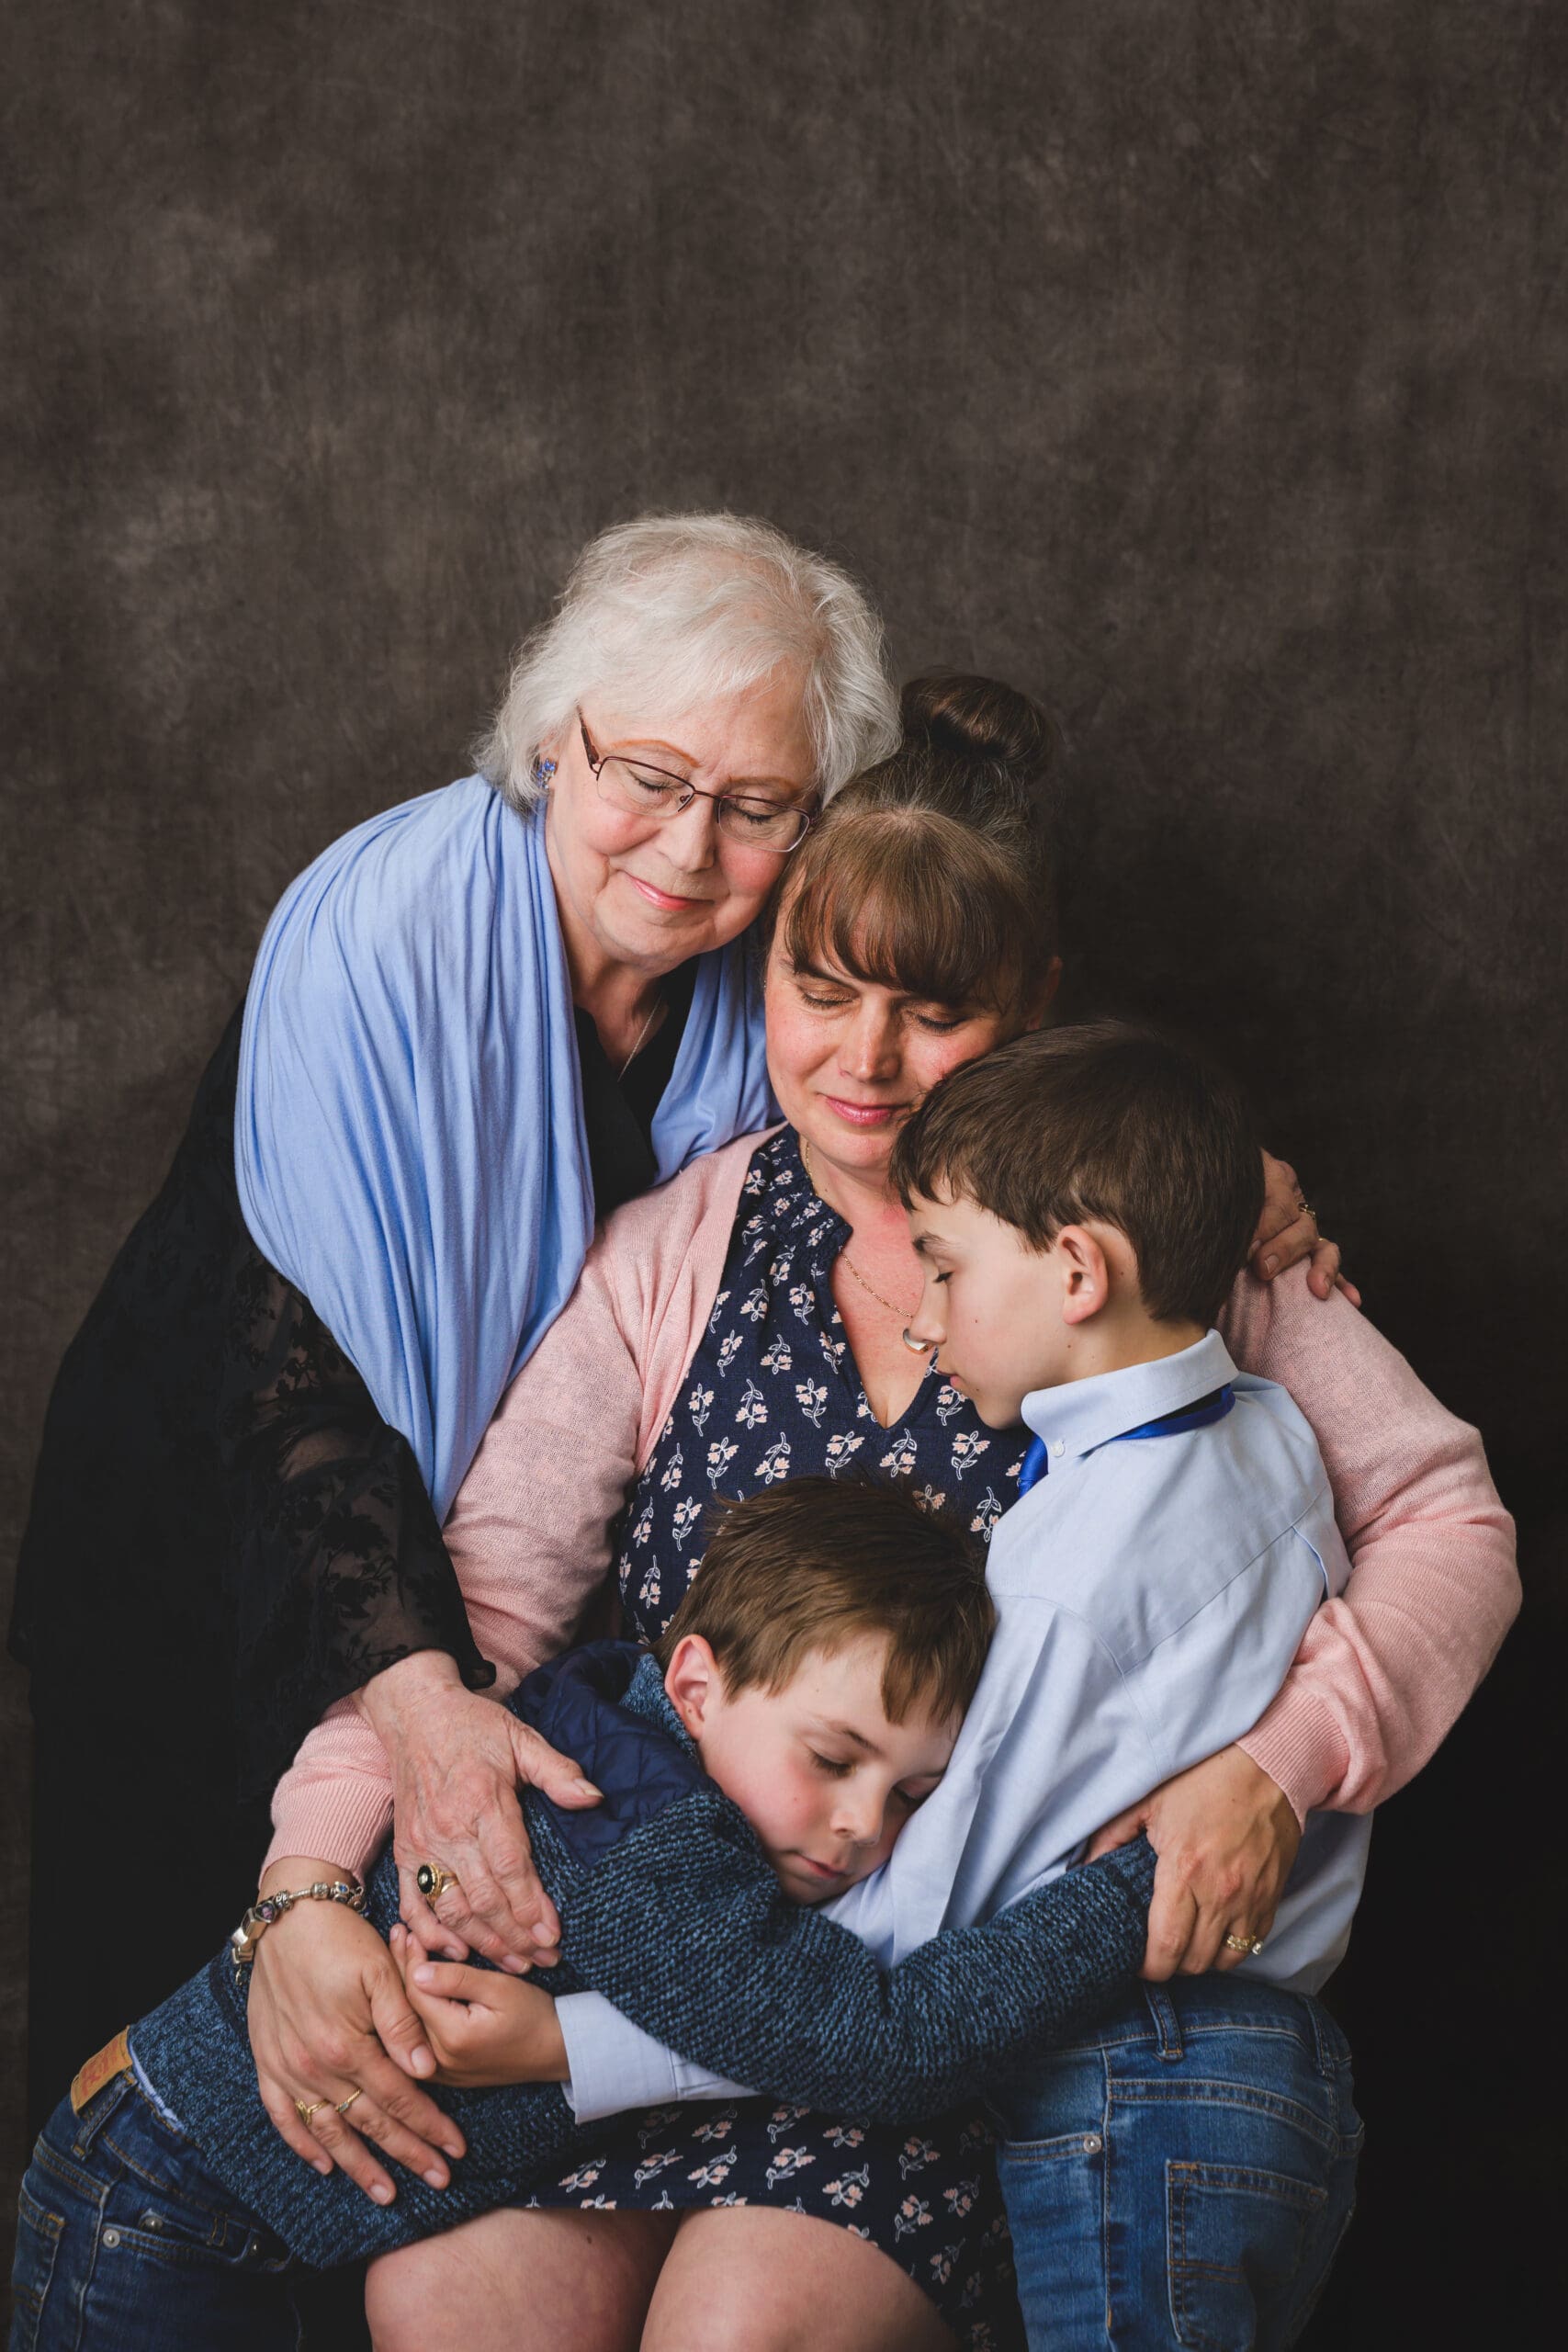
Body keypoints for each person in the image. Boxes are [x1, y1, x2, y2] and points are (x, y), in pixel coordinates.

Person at [239, 682, 1517, 2351]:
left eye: (929, 1012)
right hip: (664, 1980)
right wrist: (308, 1876)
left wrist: (1278, 1767)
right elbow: (475, 1610)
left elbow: (1451, 1523)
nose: (863, 1059)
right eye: (817, 989)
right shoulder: (677, 1248)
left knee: (742, 2330)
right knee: (451, 2302)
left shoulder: (1152, 1243)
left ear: (1036, 1005)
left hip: (942, 2020)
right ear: (755, 968)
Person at [7, 510, 901, 2123]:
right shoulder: (378, 939)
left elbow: (959, 1011)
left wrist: (1206, 1177)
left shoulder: (787, 965)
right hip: (211, 1540)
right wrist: (420, 1698)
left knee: (403, 2095)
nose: (688, 852)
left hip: (493, 1581)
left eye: (754, 807)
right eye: (645, 775)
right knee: (165, 2067)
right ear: (554, 740)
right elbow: (297, 1385)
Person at [366, 1018, 1371, 2352]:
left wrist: (569, 2047)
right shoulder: (1269, 1432)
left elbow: (892, 1977)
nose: (925, 1308)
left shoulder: (1064, 1586)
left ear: (1075, 1271)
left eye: (947, 1269)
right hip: (1231, 2062)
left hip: (1125, 2067)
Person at [11, 1478, 1168, 2352]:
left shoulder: (616, 1715)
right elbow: (884, 2041)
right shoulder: (649, 1849)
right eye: (834, 1757)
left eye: (914, 1793)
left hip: (192, 2171)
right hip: (159, 2207)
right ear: (699, 1684)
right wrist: (1139, 1883)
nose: (867, 1824)